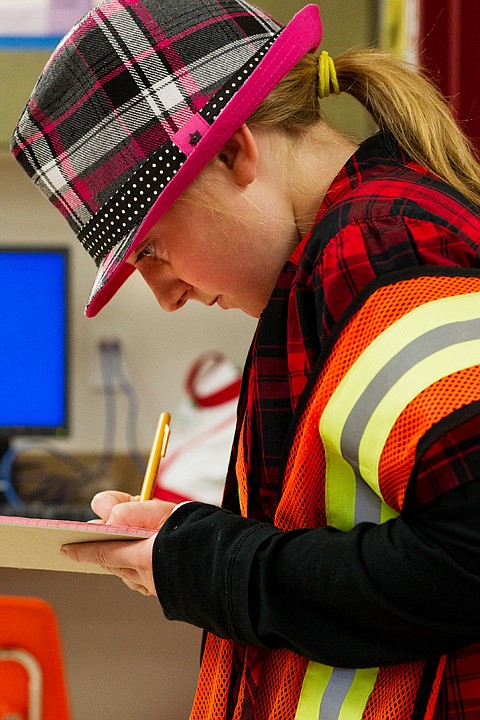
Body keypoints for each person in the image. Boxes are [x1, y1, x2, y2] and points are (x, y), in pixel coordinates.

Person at [10, 0, 480, 717]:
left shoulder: (380, 251)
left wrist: (208, 564)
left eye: (151, 251)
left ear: (234, 152)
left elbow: (468, 553)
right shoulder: (328, 269)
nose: (164, 297)